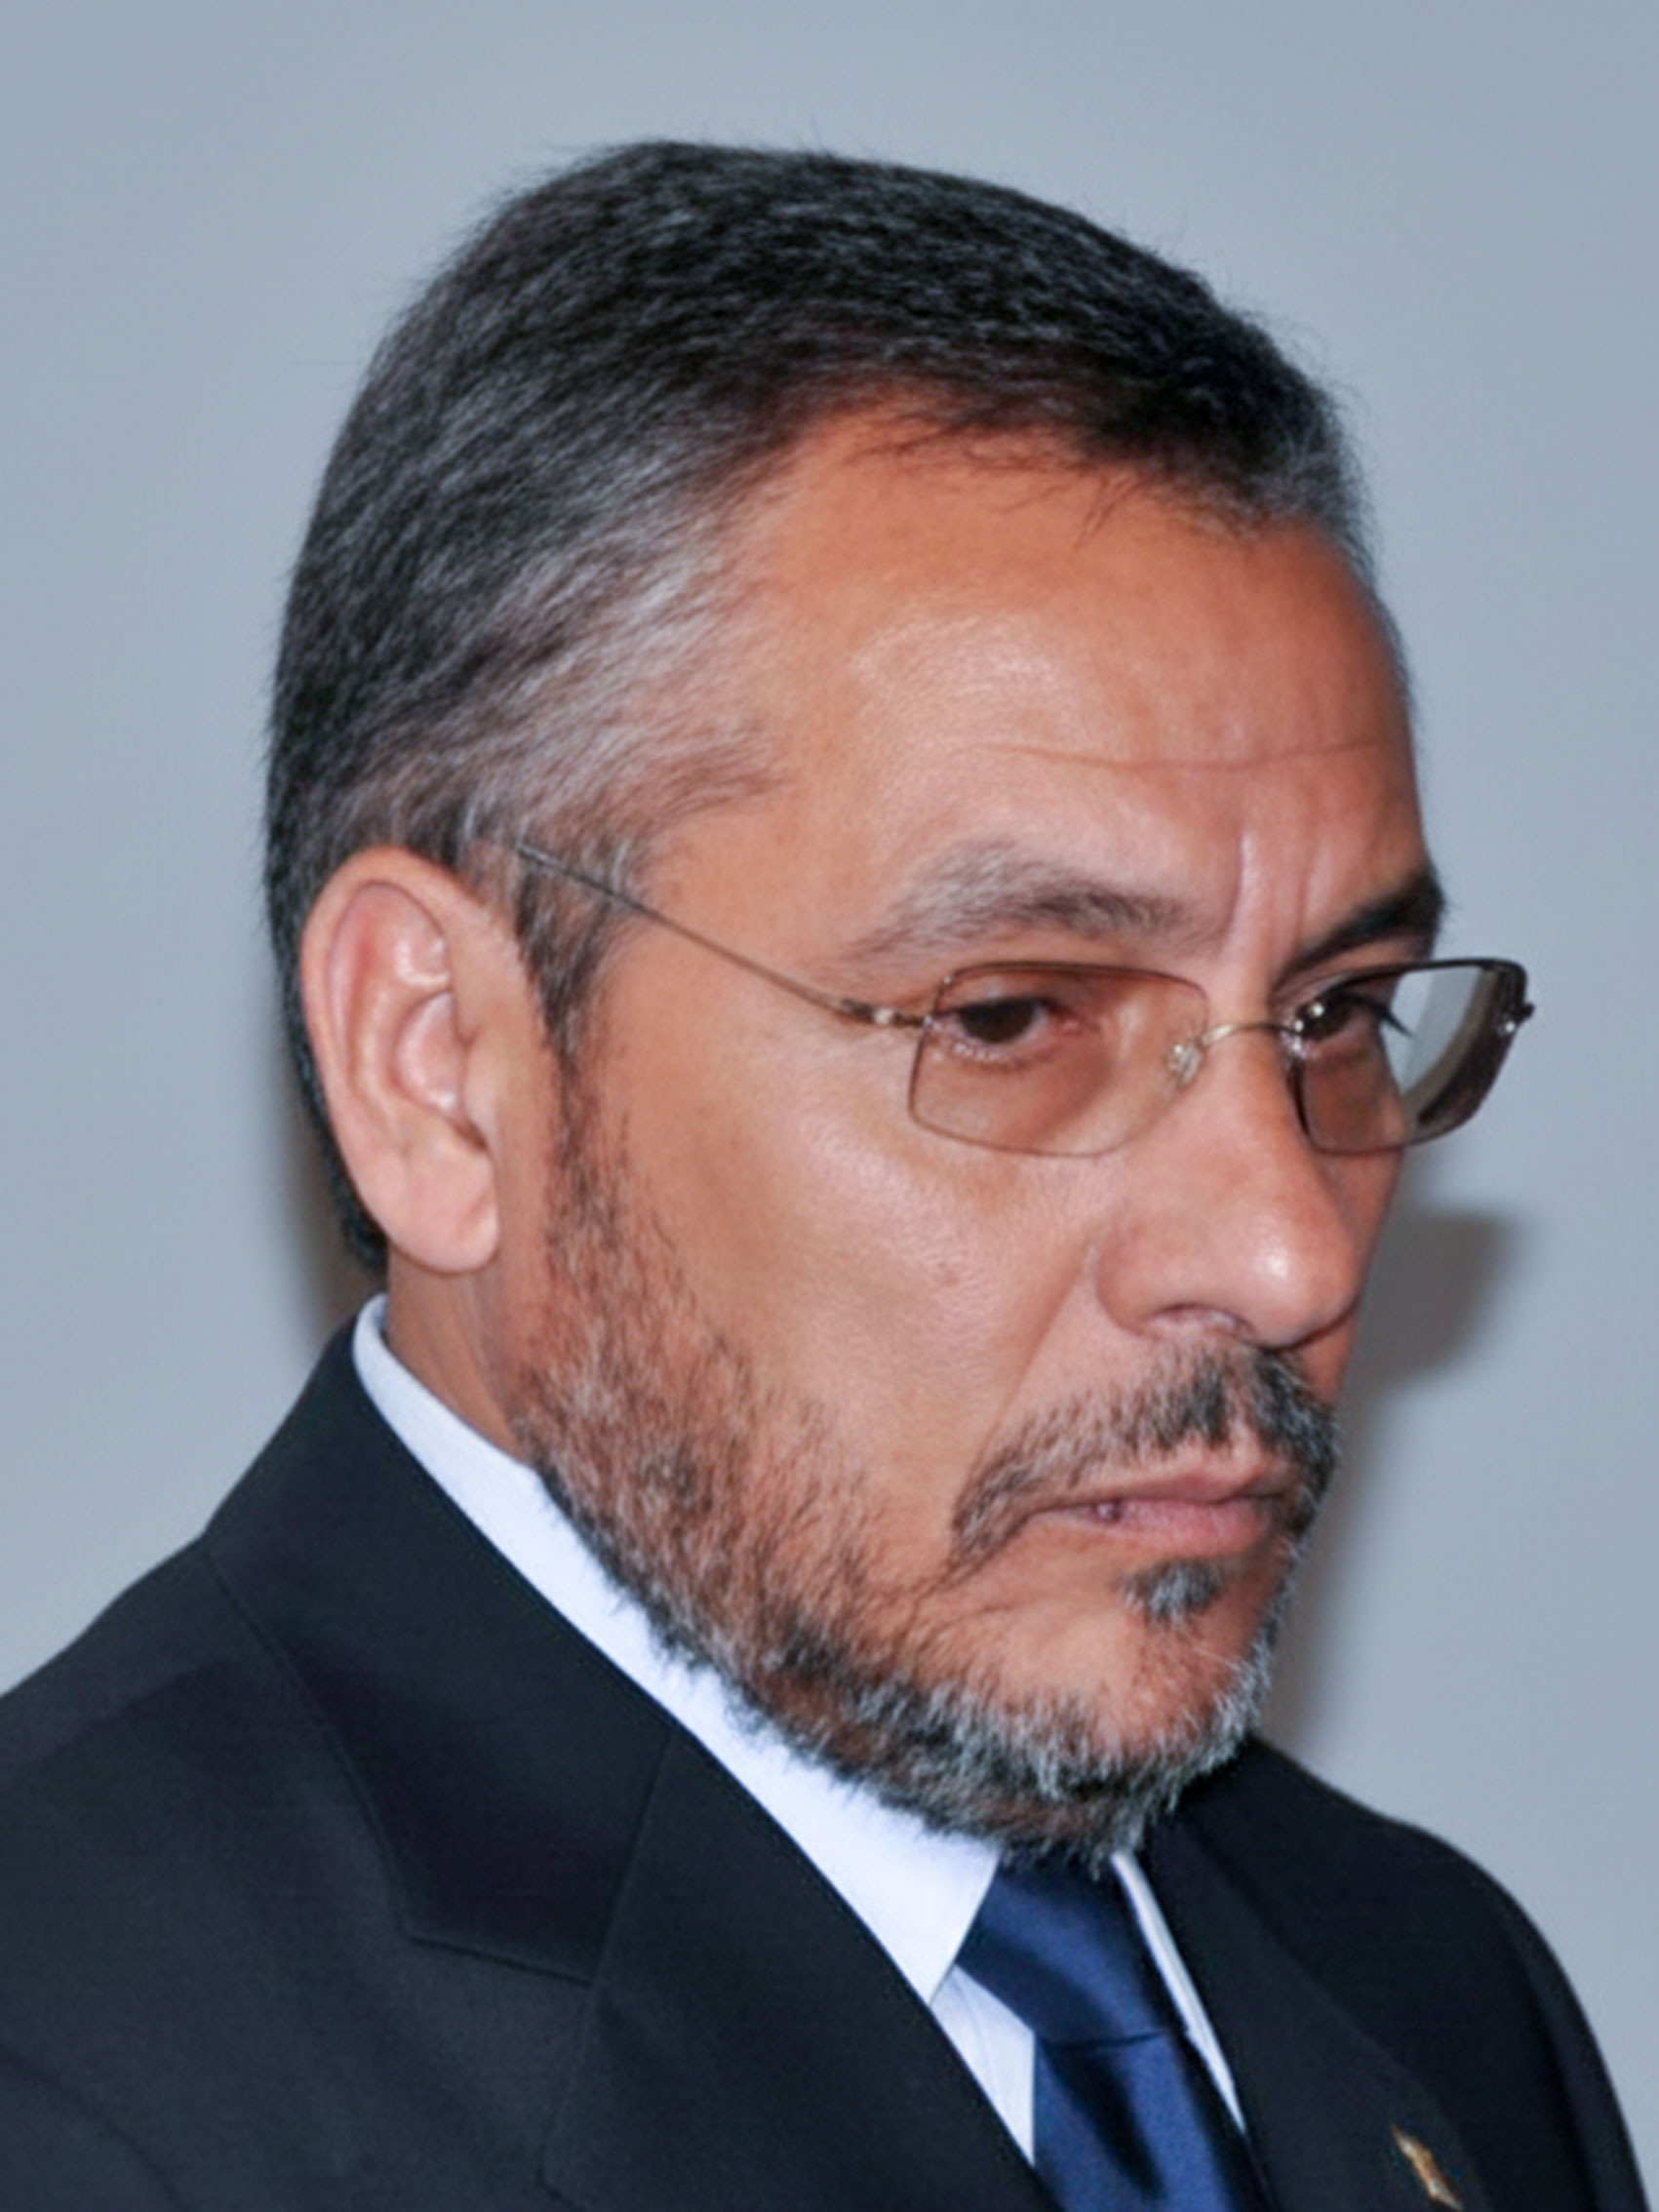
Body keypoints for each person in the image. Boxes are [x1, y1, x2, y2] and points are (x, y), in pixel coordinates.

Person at [0, 141, 1642, 2210]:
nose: (1282, 1247)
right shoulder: (75, 2082)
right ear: (442, 1069)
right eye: (1008, 1017)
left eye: (1332, 1012)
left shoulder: (1426, 1984)